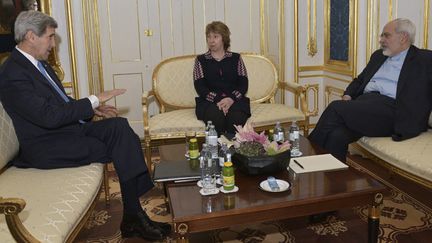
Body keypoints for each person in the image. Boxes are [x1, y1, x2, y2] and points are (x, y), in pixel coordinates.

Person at [0, 10, 170, 241]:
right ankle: (134, 216)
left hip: (66, 131)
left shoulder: (39, 64)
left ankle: (133, 214)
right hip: (46, 146)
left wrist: (93, 109)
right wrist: (94, 99)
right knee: (122, 148)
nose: (52, 43)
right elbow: (48, 116)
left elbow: (61, 101)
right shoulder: (13, 73)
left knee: (119, 128)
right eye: (50, 37)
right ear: (31, 36)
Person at [309, 18, 432, 162]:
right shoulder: (379, 56)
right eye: (382, 36)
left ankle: (306, 155)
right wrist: (348, 94)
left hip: (394, 111)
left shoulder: (424, 59)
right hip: (366, 106)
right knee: (337, 135)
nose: (381, 40)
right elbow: (360, 80)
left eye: (386, 35)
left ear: (403, 37)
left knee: (336, 107)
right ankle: (330, 180)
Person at [193, 21, 250, 136]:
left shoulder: (236, 58)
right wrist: (219, 100)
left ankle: (234, 151)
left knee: (236, 116)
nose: (211, 40)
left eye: (215, 36)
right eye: (208, 37)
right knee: (215, 116)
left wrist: (231, 99)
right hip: (210, 101)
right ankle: (216, 150)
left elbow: (244, 84)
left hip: (235, 100)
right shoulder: (200, 60)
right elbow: (200, 87)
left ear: (223, 38)